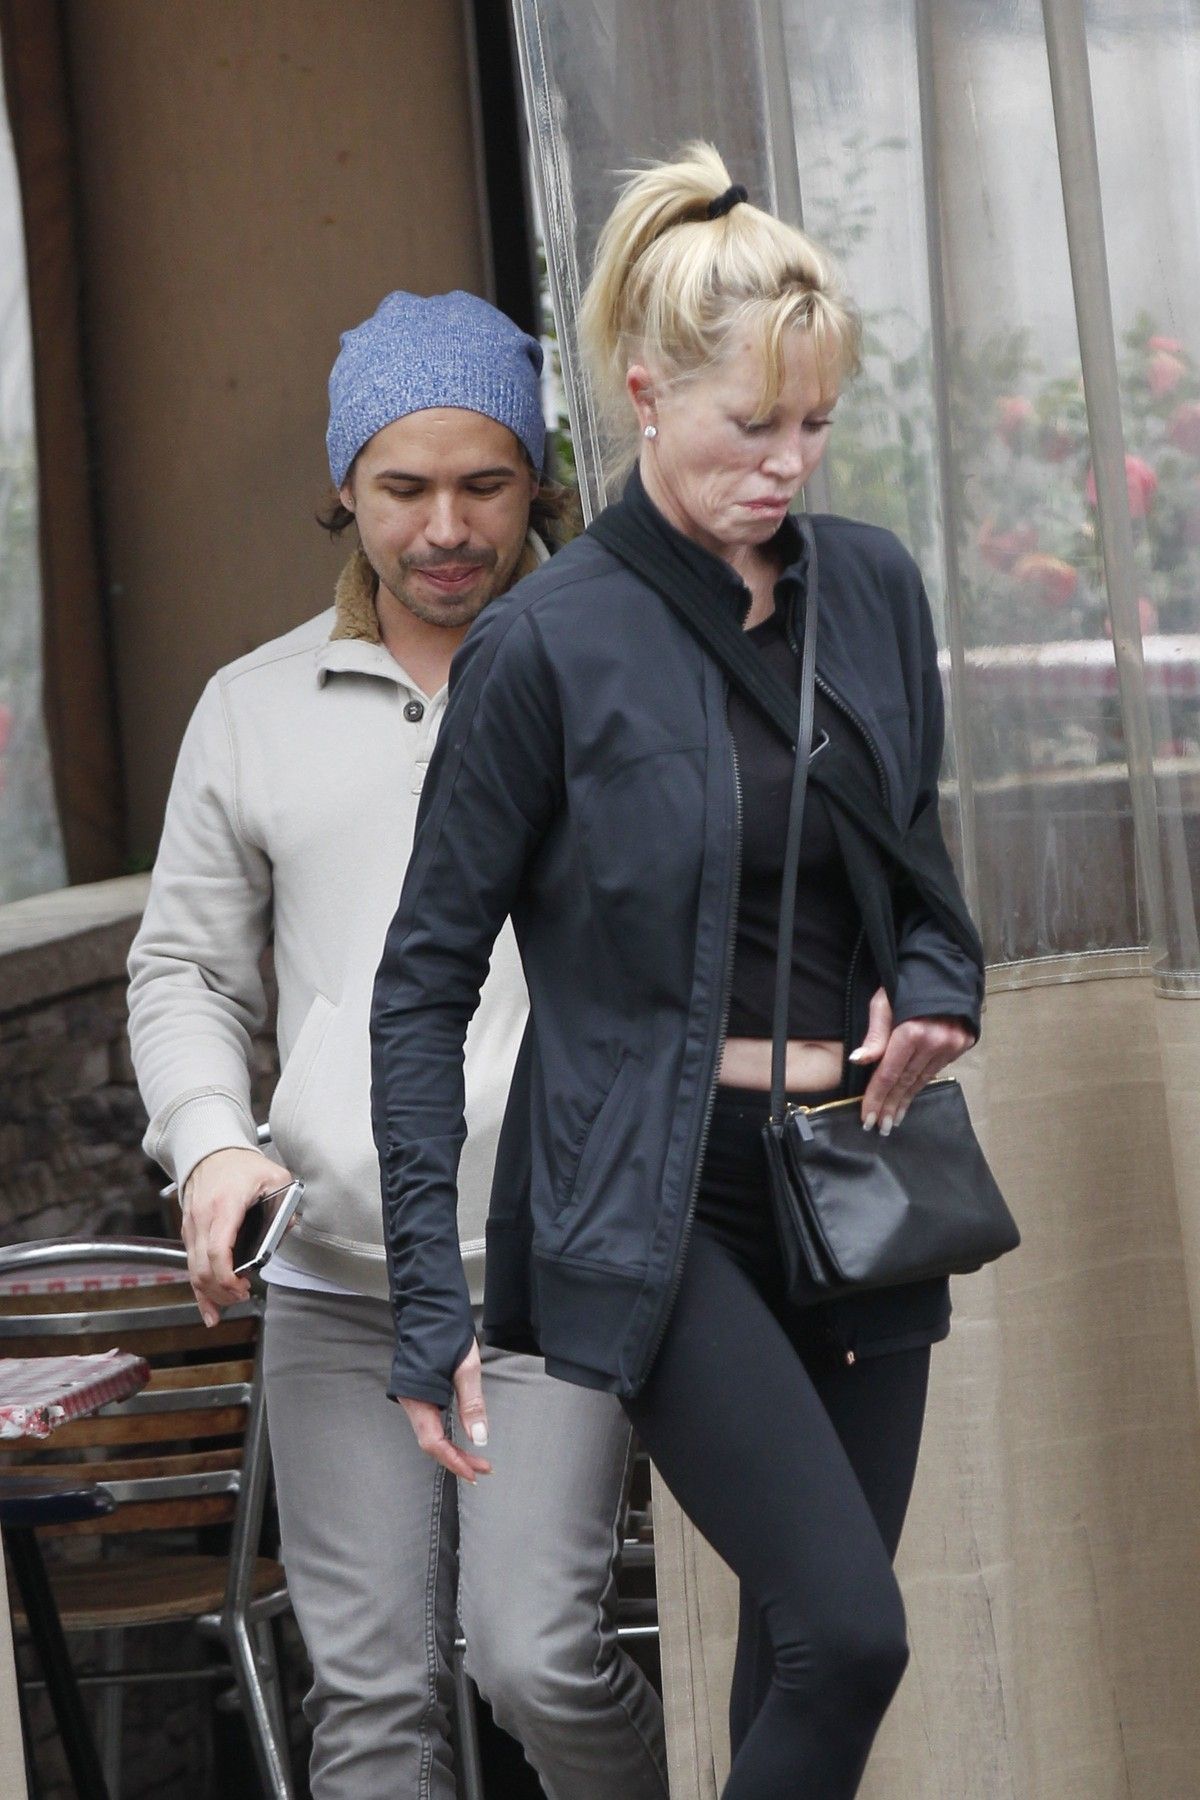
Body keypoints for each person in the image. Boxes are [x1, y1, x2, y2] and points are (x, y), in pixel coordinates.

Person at [370, 147, 987, 1800]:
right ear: (645, 393)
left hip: (858, 1170)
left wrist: (939, 987)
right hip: (659, 1194)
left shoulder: (870, 589)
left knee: (804, 1654)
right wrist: (431, 1297)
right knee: (851, 1631)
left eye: (816, 426)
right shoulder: (545, 644)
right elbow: (423, 982)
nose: (787, 465)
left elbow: (920, 870)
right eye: (751, 424)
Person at [127, 289, 668, 1800]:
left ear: (537, 484)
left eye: (485, 485)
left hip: (558, 1262)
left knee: (534, 1657)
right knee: (369, 1701)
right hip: (338, 1278)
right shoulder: (253, 709)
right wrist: (212, 1144)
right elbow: (183, 971)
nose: (445, 527)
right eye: (403, 487)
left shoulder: (624, 673)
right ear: (344, 488)